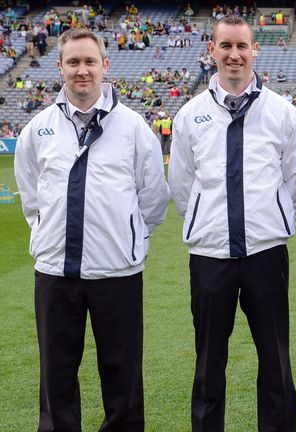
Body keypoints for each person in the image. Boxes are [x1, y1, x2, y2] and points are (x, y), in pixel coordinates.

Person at [13, 28, 169, 431]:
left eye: (89, 62)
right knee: (56, 377)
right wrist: (47, 232)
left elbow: (152, 199)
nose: (82, 70)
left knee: (123, 377)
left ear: (105, 65)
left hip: (116, 273)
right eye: (73, 62)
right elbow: (31, 196)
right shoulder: (38, 129)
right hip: (54, 272)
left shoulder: (134, 127)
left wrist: (127, 237)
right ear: (60, 67)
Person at [168, 15, 296, 432]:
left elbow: (294, 185)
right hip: (210, 256)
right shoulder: (190, 115)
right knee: (209, 361)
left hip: (266, 255)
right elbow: (182, 184)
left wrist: (274, 223)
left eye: (241, 46)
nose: (234, 54)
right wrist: (204, 223)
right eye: (225, 46)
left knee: (275, 359)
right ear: (211, 50)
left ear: (254, 50)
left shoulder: (283, 113)